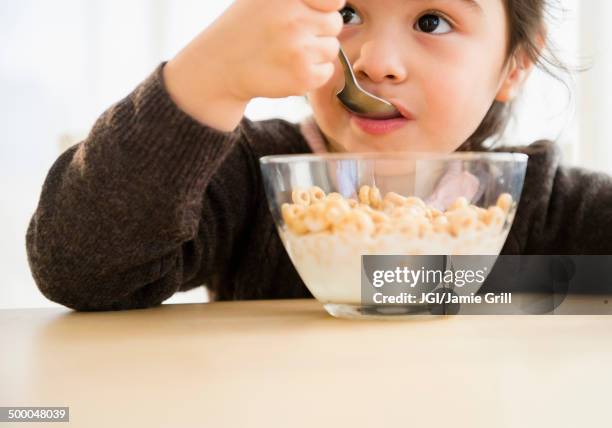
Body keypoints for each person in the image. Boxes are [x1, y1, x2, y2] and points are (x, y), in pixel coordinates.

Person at [26, 0, 612, 311]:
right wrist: (208, 77)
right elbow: (83, 270)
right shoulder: (247, 177)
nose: (379, 60)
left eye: (432, 21)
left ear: (515, 64)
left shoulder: (536, 202)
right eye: (348, 14)